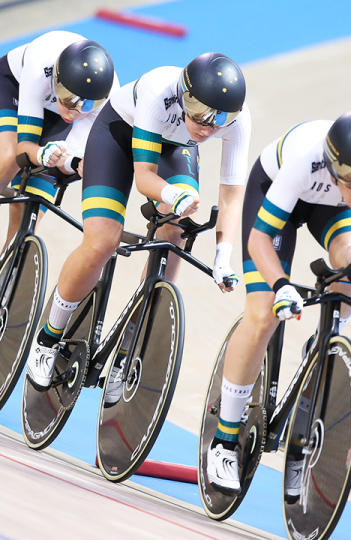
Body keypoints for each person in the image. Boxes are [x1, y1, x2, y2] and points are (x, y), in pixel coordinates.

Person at [23, 52, 251, 402]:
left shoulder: (235, 120)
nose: (208, 126)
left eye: (222, 119)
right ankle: (49, 336)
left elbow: (232, 197)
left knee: (175, 228)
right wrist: (170, 193)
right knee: (101, 241)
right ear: (186, 96)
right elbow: (145, 177)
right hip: (117, 134)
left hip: (175, 148)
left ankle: (129, 344)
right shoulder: (160, 90)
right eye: (202, 113)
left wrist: (224, 257)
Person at [202, 110, 351, 494]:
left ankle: (325, 342)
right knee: (262, 317)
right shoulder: (304, 160)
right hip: (275, 198)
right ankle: (224, 440)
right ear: (333, 164)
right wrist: (280, 286)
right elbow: (259, 239)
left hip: (331, 207)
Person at [0, 31, 118, 287]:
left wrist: (73, 162)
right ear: (57, 79)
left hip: (52, 118)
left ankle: (1, 278)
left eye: (84, 106)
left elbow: (69, 157)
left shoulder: (104, 101)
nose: (74, 111)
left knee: (41, 190)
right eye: (68, 99)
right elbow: (25, 147)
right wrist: (41, 153)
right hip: (10, 89)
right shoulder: (42, 62)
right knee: (9, 157)